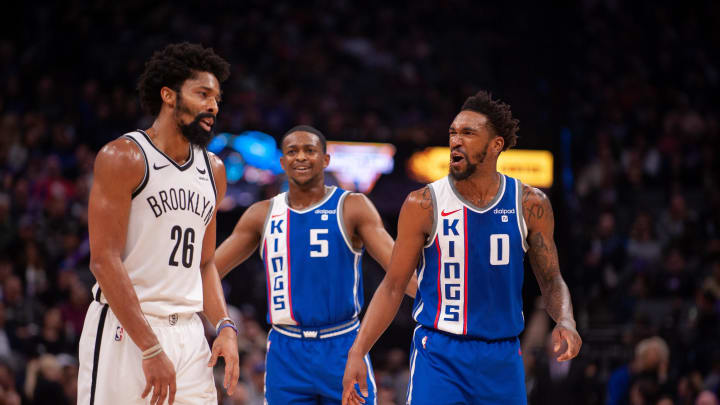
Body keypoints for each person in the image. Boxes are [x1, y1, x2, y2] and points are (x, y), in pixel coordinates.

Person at [342, 91, 582, 405]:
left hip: (502, 356)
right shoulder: (423, 203)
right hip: (440, 353)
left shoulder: (529, 204)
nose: (456, 140)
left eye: (468, 133)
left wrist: (566, 320)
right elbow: (392, 286)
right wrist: (357, 352)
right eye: (453, 132)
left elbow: (551, 280)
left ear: (496, 144)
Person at [77, 42, 239, 405]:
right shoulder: (124, 157)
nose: (213, 106)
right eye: (202, 94)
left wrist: (225, 325)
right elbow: (104, 260)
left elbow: (205, 261)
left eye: (217, 98)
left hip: (189, 334)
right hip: (127, 331)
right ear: (168, 95)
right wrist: (149, 347)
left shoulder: (213, 170)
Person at [215, 125, 417, 404]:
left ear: (325, 160)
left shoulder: (352, 206)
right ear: (282, 162)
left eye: (310, 150)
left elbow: (401, 271)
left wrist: (437, 301)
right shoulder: (261, 214)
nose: (300, 157)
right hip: (285, 348)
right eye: (292, 151)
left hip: (343, 343)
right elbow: (209, 271)